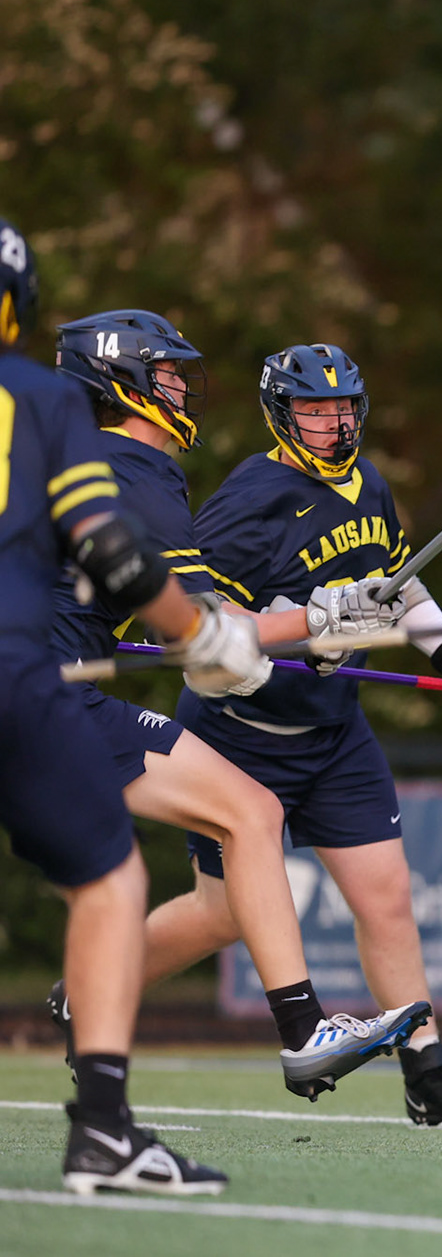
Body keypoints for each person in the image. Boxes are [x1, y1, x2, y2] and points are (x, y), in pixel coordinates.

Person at [46, 309, 431, 1100]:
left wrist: (290, 628)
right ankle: (303, 1032)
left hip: (53, 689)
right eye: (167, 374)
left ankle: (106, 1008)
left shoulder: (66, 456)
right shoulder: (138, 469)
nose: (182, 387)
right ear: (121, 381)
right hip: (46, 697)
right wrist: (322, 616)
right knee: (251, 813)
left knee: (244, 824)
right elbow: (201, 629)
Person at [146, 341, 442, 1126]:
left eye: (344, 407)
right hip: (240, 735)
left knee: (387, 897)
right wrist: (299, 632)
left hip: (333, 732)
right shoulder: (252, 498)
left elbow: (398, 585)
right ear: (281, 415)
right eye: (315, 409)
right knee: (221, 914)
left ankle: (428, 1072)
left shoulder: (370, 484)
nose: (334, 422)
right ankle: (96, 981)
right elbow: (200, 620)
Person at [0, 216, 267, 1193]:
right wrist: (199, 633)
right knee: (109, 884)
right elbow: (113, 553)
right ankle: (103, 1132)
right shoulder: (41, 402)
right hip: (20, 677)